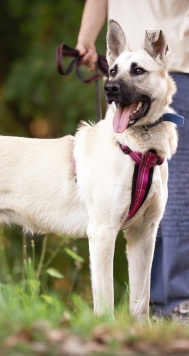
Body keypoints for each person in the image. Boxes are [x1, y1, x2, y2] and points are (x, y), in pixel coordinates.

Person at [76, 0, 189, 320]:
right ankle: (152, 306)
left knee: (177, 195)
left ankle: (178, 302)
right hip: (126, 62)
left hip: (177, 65)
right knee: (129, 200)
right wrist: (86, 37)